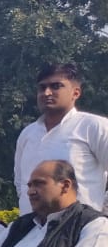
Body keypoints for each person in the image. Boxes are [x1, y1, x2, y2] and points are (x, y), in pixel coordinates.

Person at [14, 63, 108, 214]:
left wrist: (100, 215)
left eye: (56, 86)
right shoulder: (27, 134)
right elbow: (21, 184)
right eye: (42, 88)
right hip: (31, 225)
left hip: (80, 225)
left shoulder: (93, 126)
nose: (47, 93)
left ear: (75, 93)